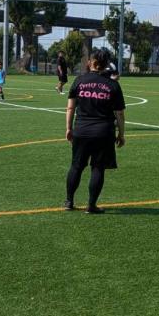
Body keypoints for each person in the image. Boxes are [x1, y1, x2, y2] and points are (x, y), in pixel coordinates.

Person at [64, 48, 125, 214]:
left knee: (76, 166)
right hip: (103, 132)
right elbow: (119, 113)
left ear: (90, 62)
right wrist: (121, 134)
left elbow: (70, 107)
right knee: (97, 168)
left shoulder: (79, 80)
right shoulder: (113, 85)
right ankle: (91, 205)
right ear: (106, 65)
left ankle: (69, 201)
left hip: (81, 130)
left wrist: (69, 128)